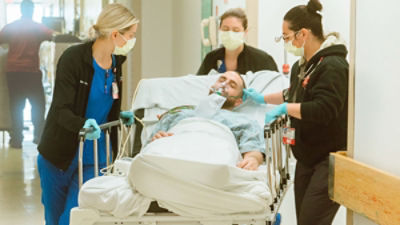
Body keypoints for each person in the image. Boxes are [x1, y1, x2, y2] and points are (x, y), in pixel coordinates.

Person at [243, 0, 348, 224]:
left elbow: (325, 108)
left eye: (287, 37)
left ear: (303, 34)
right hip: (306, 157)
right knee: (304, 219)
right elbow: (295, 93)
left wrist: (284, 109)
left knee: (311, 220)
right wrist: (261, 98)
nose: (286, 43)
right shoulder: (304, 65)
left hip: (328, 160)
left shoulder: (333, 65)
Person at [36, 3, 137, 225]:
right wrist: (82, 124)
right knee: (54, 220)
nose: (131, 42)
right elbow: (60, 109)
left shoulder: (116, 63)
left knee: (73, 219)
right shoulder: (74, 59)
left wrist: (119, 118)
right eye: (130, 36)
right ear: (115, 34)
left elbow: (110, 101)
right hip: (59, 156)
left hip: (94, 157)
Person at [150, 71, 264, 170]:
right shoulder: (179, 112)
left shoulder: (243, 121)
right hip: (171, 154)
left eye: (232, 85)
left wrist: (252, 159)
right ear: (212, 86)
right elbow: (150, 144)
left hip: (214, 155)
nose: (224, 85)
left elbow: (253, 150)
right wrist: (158, 139)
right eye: (222, 80)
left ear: (238, 101)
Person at [0, 0, 53, 148]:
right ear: (32, 11)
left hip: (13, 72)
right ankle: (38, 136)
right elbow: (53, 36)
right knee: (38, 104)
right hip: (31, 72)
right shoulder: (37, 27)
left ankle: (16, 140)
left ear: (21, 10)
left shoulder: (11, 27)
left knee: (16, 106)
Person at [197, 8, 278, 75]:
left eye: (236, 30)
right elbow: (197, 86)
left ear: (245, 32)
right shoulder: (211, 58)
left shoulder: (262, 60)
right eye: (225, 29)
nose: (230, 34)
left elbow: (277, 89)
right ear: (219, 29)